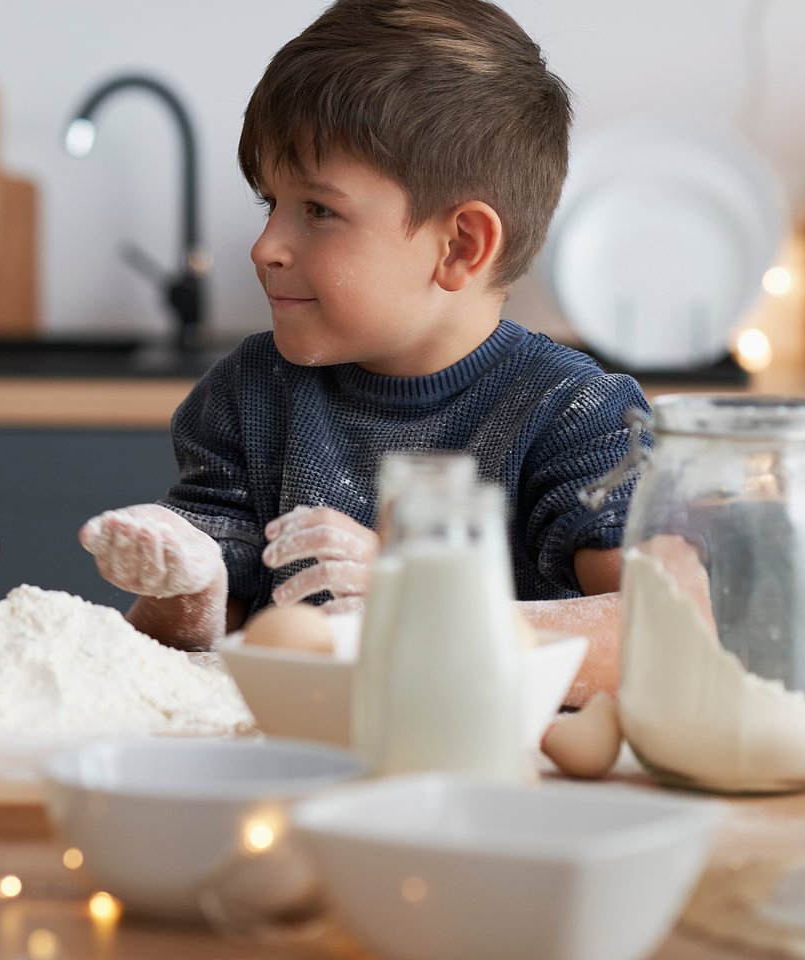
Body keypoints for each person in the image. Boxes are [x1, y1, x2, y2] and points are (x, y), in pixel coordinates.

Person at [80, 0, 645, 704]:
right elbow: (178, 660)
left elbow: (662, 633)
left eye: (317, 210)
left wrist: (423, 606)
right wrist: (186, 580)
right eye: (269, 204)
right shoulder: (247, 399)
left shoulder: (576, 414)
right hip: (286, 783)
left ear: (461, 246)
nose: (265, 248)